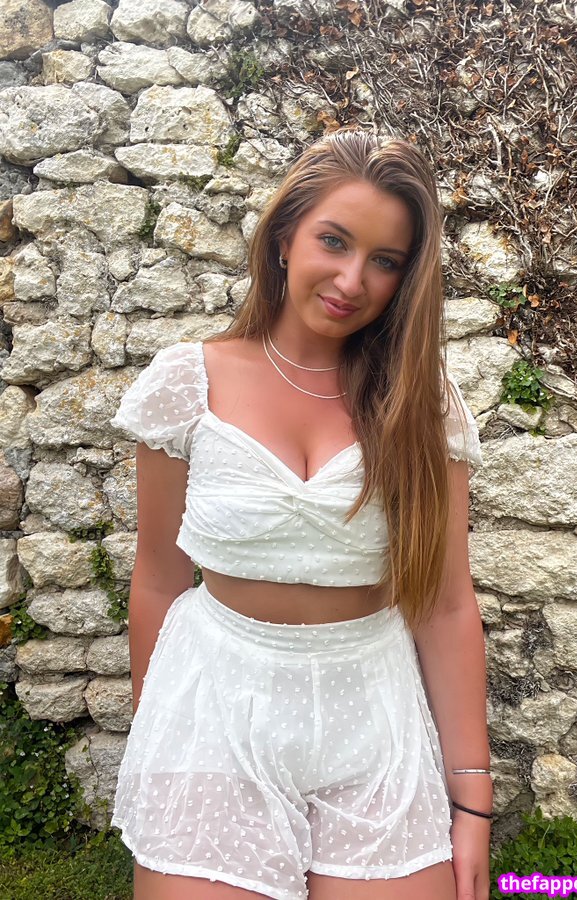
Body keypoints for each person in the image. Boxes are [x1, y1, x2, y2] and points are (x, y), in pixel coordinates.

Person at [109, 127, 491, 900]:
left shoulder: (421, 406)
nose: (352, 279)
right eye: (334, 241)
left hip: (371, 716)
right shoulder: (187, 385)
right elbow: (156, 581)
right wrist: (161, 747)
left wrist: (473, 803)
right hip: (215, 709)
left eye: (385, 260)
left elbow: (446, 604)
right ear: (284, 237)